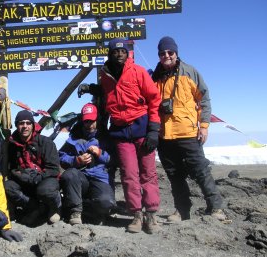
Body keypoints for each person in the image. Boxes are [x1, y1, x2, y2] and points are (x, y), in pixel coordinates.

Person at [79, 38, 162, 234]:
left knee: (148, 173)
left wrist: (153, 130)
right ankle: (136, 215)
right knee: (129, 174)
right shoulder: (105, 76)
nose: (119, 54)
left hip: (142, 129)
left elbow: (154, 99)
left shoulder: (139, 72)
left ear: (127, 53)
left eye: (122, 51)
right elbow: (108, 92)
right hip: (121, 132)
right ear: (110, 54)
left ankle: (151, 214)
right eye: (115, 51)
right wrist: (90, 88)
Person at [151, 36, 226, 222]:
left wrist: (205, 126)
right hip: (164, 135)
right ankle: (182, 210)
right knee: (174, 175)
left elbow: (204, 100)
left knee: (201, 170)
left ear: (176, 53)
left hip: (188, 132)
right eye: (162, 53)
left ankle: (216, 208)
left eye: (170, 52)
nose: (166, 56)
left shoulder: (190, 72)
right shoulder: (154, 77)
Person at [58, 103, 116, 225]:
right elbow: (61, 156)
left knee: (106, 203)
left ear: (97, 119)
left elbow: (115, 160)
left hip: (101, 178)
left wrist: (100, 153)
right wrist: (76, 160)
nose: (89, 124)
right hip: (81, 177)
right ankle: (76, 211)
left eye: (92, 120)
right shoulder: (74, 137)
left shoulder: (107, 136)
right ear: (82, 121)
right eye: (86, 121)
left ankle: (92, 210)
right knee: (69, 175)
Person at [4, 110, 62, 226]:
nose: (25, 126)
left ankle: (55, 207)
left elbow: (54, 169)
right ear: (17, 125)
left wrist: (39, 176)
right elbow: (11, 168)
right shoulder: (11, 145)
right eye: (21, 123)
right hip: (25, 181)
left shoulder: (45, 142)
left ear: (32, 125)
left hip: (45, 179)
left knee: (46, 191)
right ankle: (35, 206)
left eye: (28, 123)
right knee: (8, 187)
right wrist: (19, 174)